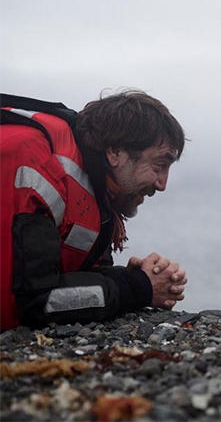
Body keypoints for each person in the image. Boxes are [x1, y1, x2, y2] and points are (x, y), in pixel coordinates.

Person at [0, 91, 188, 331]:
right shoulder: (32, 161)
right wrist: (136, 288)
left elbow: (71, 275)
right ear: (115, 153)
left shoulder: (97, 189)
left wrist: (130, 278)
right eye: (159, 165)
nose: (163, 184)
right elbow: (32, 303)